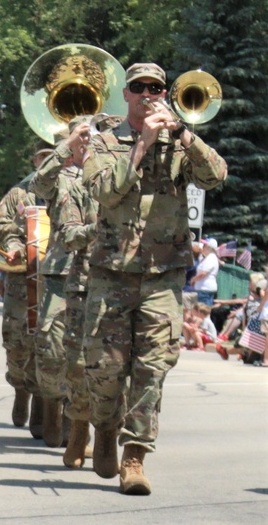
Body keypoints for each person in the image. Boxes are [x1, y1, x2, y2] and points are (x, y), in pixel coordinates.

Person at [82, 62, 227, 494]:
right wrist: (141, 145)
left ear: (165, 93)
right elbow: (106, 191)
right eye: (139, 87)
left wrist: (183, 134)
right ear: (125, 94)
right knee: (106, 370)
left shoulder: (180, 143)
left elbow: (216, 176)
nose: (148, 94)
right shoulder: (104, 142)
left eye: (156, 88)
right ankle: (105, 429)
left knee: (153, 368)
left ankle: (135, 457)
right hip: (111, 272)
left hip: (163, 274)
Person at [29, 116, 90, 447]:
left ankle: (76, 415)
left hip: (98, 273)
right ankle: (50, 401)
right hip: (59, 272)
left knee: (85, 354)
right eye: (81, 138)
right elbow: (38, 184)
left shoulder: (107, 173)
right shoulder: (59, 176)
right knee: (52, 350)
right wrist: (65, 147)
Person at [0, 147, 52, 433]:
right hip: (22, 279)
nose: (47, 160)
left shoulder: (74, 187)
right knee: (17, 343)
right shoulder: (19, 193)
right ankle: (20, 389)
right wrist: (15, 246)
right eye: (43, 156)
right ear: (35, 161)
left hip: (57, 279)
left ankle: (43, 399)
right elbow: (0, 225)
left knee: (52, 344)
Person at [191, 238, 219, 305]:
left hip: (205, 289)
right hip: (204, 288)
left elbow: (203, 274)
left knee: (202, 311)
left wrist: (193, 280)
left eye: (204, 245)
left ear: (209, 247)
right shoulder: (209, 257)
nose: (203, 247)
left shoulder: (211, 258)